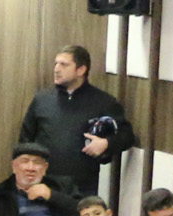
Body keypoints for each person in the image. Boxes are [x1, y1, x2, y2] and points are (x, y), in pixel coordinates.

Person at [17, 43, 137, 203]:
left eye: (64, 64)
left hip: (81, 188)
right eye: (56, 64)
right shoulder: (42, 99)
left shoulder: (103, 102)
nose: (56, 69)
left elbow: (127, 136)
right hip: (43, 184)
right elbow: (25, 140)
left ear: (81, 70)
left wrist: (106, 144)